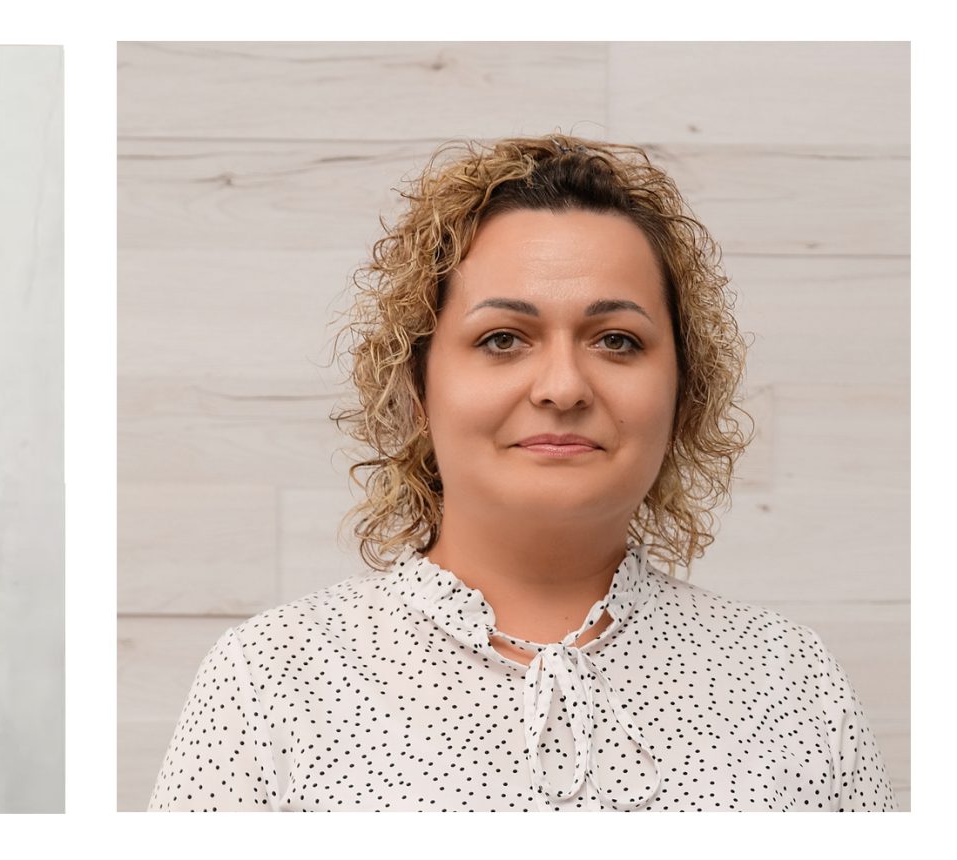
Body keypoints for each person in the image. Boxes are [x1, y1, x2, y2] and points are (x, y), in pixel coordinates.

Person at [146, 135, 892, 811]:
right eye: (503, 339)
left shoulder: (793, 682)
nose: (563, 388)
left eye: (617, 340)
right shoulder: (269, 680)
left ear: (682, 391)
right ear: (416, 388)